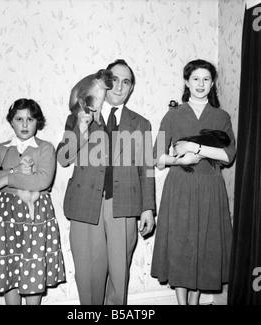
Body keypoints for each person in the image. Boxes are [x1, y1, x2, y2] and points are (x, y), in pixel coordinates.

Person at [57, 59, 155, 305]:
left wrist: (148, 208)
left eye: (126, 82)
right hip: (85, 203)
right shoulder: (79, 115)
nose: (119, 87)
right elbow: (63, 158)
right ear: (103, 82)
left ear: (131, 88)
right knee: (89, 274)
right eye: (114, 81)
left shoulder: (141, 124)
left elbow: (147, 168)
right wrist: (81, 127)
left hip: (123, 204)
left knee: (119, 273)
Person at [151, 59, 236, 305]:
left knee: (205, 244)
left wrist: (194, 146)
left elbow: (229, 156)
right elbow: (156, 157)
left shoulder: (221, 116)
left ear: (212, 84)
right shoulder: (173, 115)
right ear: (187, 82)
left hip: (211, 186)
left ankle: (195, 302)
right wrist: (183, 159)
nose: (201, 84)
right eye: (196, 79)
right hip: (180, 186)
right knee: (181, 243)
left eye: (206, 79)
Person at [0, 98, 65, 305]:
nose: (25, 125)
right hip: (5, 218)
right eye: (19, 119)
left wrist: (5, 179)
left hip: (35, 218)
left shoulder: (45, 148)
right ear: (11, 122)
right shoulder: (2, 149)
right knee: (9, 267)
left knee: (32, 268)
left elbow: (42, 181)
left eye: (30, 119)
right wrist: (14, 171)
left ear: (38, 122)